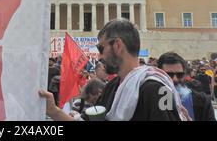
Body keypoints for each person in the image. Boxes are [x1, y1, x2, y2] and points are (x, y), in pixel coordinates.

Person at [39, 18, 188, 121]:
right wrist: (53, 111)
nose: (99, 54)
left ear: (117, 45)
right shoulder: (112, 86)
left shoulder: (158, 88)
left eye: (101, 48)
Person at [157, 52, 216, 121]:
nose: (175, 79)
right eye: (169, 75)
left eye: (179, 75)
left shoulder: (203, 101)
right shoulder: (150, 99)